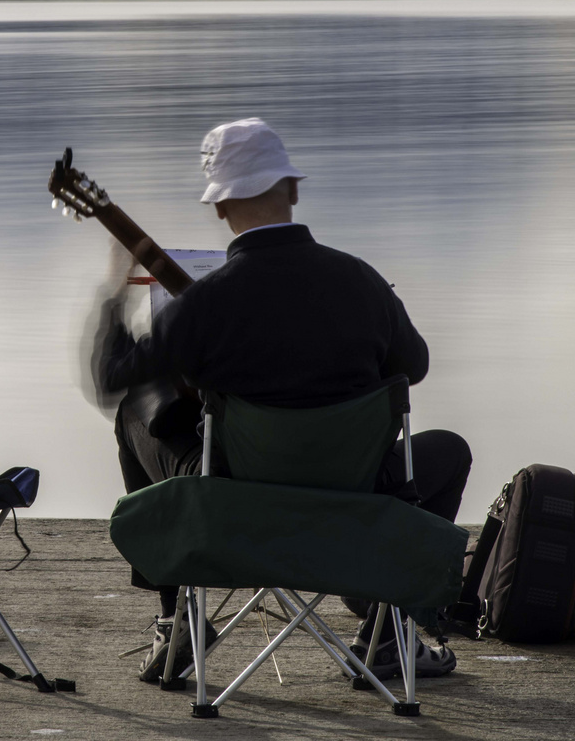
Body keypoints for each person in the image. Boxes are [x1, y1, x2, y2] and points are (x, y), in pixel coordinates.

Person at [91, 117, 471, 683]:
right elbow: (412, 368)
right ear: (293, 189)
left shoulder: (206, 303)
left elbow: (112, 377)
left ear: (219, 208)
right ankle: (391, 634)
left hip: (236, 507)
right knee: (450, 451)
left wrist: (115, 292)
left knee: (133, 413)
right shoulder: (362, 281)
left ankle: (177, 623)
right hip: (355, 496)